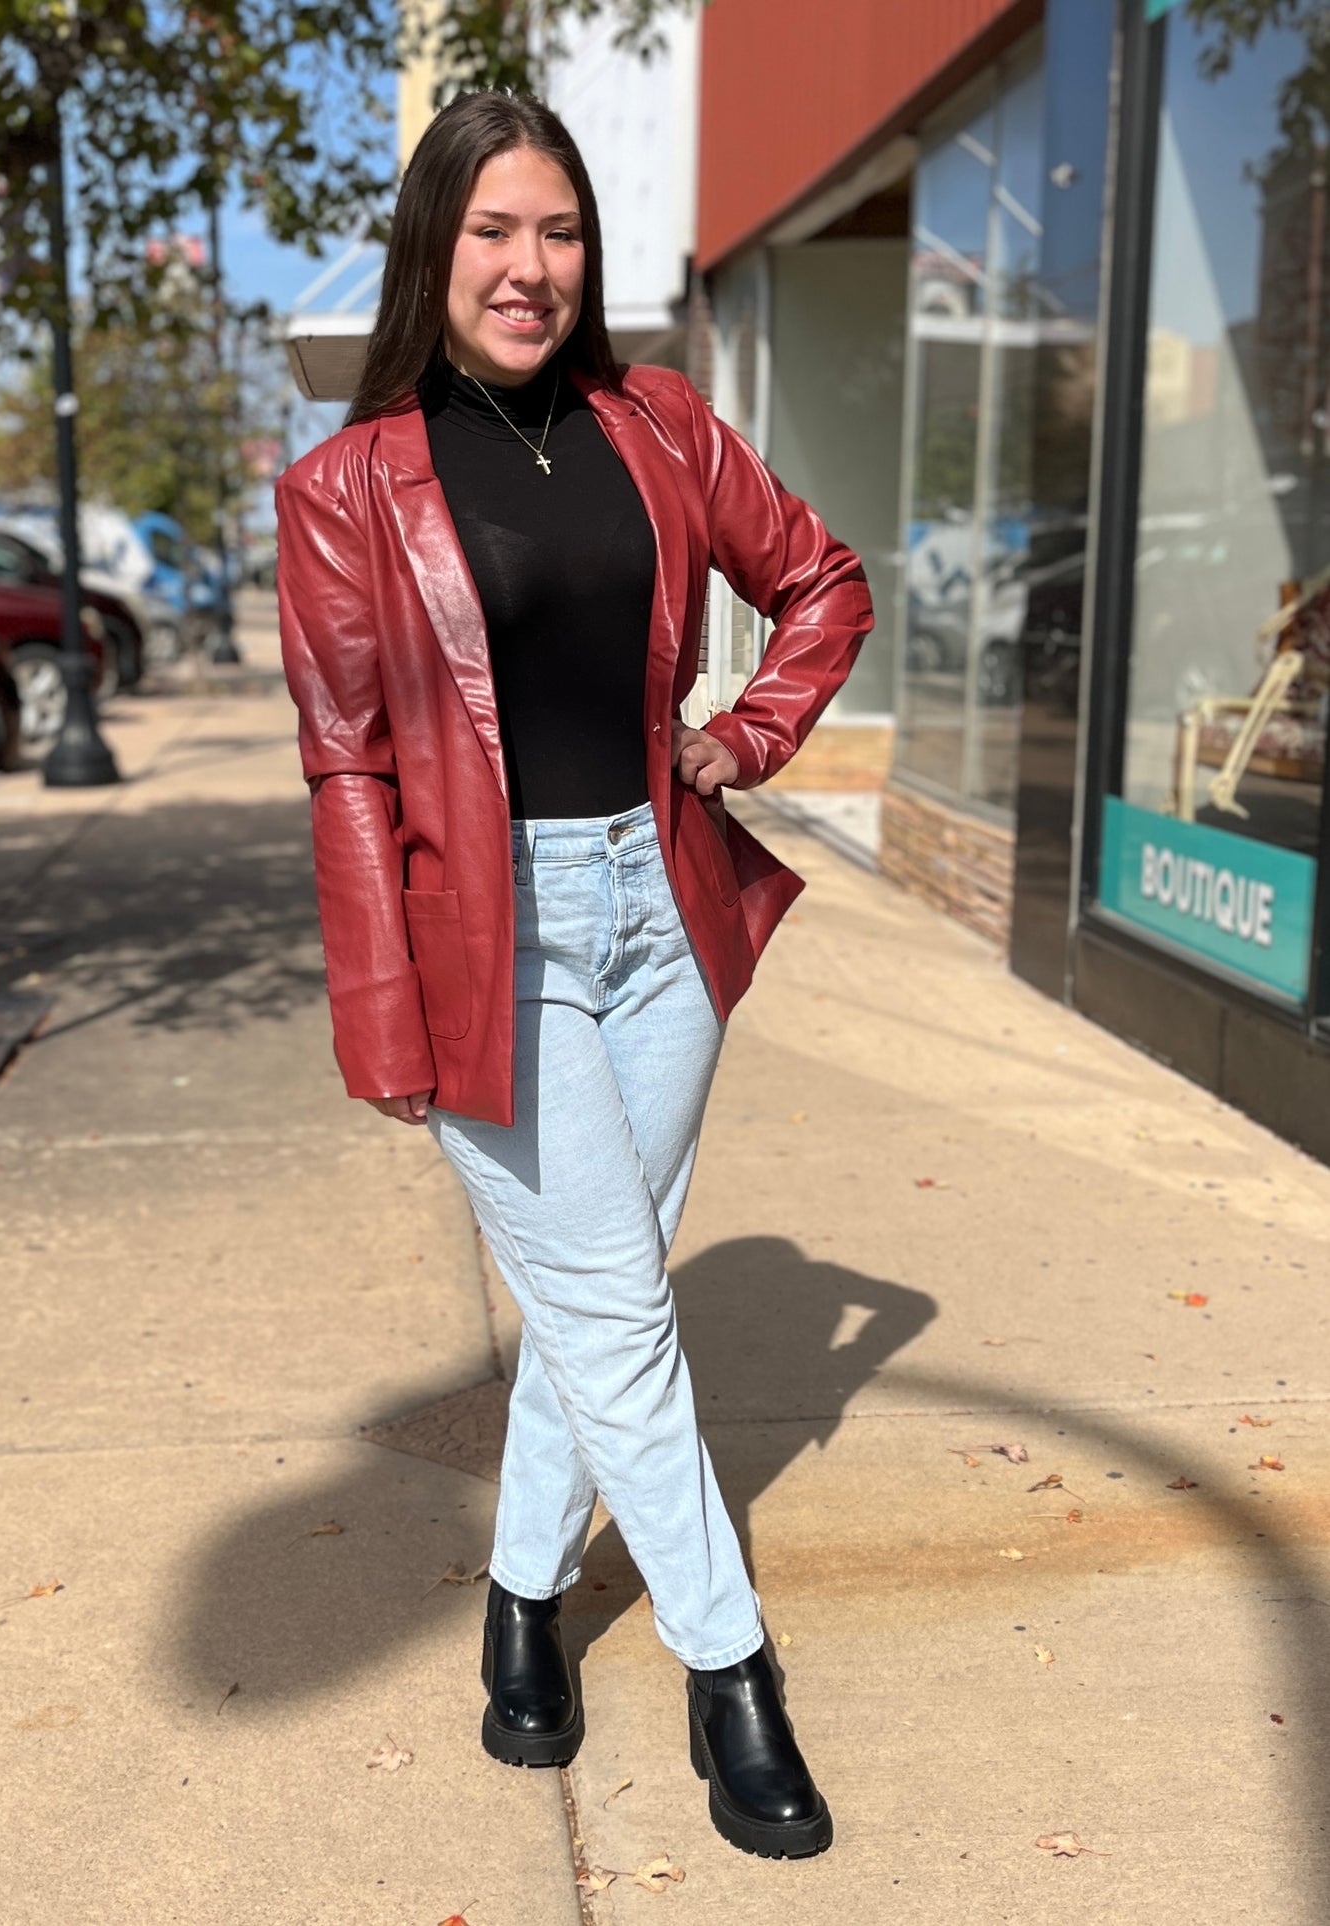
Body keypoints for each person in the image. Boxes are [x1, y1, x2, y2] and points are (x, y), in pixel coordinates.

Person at [275, 90, 872, 1861]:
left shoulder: (658, 423)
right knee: (617, 1309)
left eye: (559, 233)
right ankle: (730, 1665)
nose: (529, 269)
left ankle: (521, 1599)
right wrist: (378, 1007)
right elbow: (350, 767)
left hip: (657, 909)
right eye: (492, 233)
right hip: (488, 934)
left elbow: (822, 580)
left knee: (595, 1299)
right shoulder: (344, 490)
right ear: (432, 249)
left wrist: (743, 735)